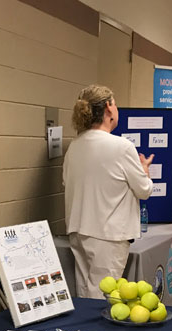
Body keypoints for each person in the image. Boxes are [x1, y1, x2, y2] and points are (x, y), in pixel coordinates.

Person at [63, 85, 154, 298]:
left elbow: (67, 183)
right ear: (108, 108)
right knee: (104, 295)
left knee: (84, 292)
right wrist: (145, 171)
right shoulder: (122, 147)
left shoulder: (74, 146)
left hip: (79, 229)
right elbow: (144, 190)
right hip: (109, 235)